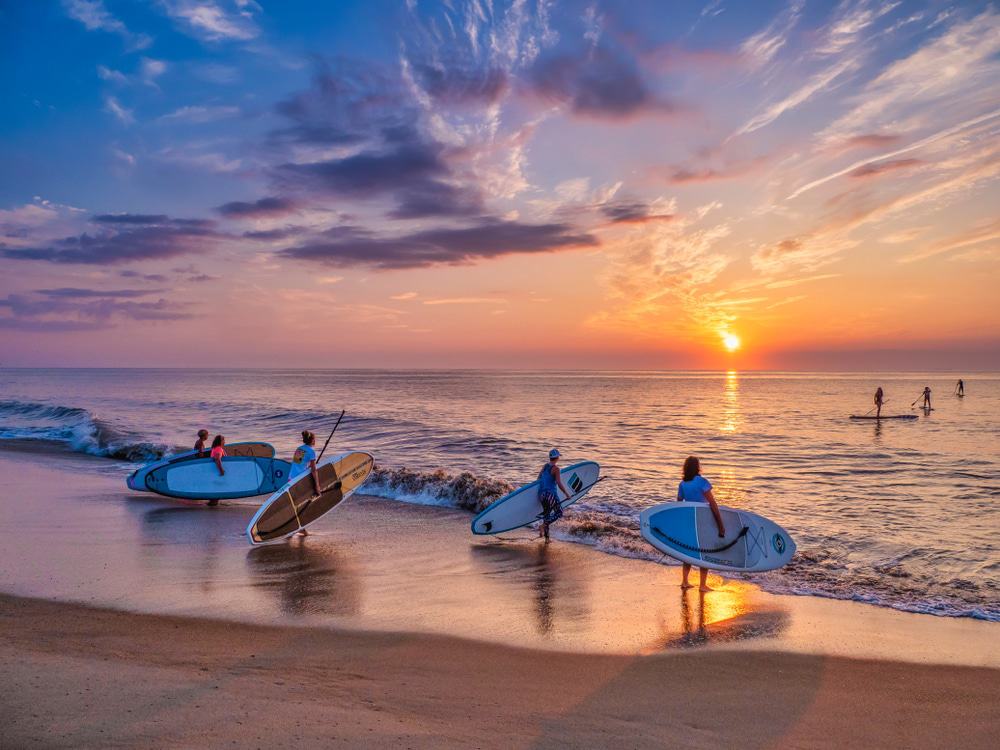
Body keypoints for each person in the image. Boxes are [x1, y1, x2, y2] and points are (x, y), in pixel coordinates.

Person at [677, 456, 726, 593]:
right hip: (703, 522)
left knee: (688, 550)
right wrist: (720, 525)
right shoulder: (702, 482)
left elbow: (678, 504)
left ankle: (685, 581)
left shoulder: (683, 484)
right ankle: (702, 585)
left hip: (688, 522)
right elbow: (713, 504)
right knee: (703, 551)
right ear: (697, 467)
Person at [289, 431, 321, 536]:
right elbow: (314, 470)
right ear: (312, 440)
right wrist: (317, 486)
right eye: (314, 439)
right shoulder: (311, 451)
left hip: (291, 479)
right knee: (302, 504)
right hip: (299, 480)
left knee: (295, 504)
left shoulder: (299, 449)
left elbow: (298, 464)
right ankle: (300, 528)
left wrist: (307, 467)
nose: (315, 441)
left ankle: (293, 528)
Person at [538, 448, 572, 541]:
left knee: (547, 515)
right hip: (550, 494)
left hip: (541, 495)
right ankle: (543, 526)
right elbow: (559, 483)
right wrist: (566, 494)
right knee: (559, 512)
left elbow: (539, 478)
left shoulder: (545, 466)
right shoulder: (556, 469)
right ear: (557, 458)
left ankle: (547, 539)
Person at [208, 435, 226, 507]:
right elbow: (217, 459)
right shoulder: (219, 448)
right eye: (224, 440)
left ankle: (212, 503)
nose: (225, 442)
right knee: (218, 487)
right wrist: (221, 470)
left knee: (216, 487)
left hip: (213, 471)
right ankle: (213, 504)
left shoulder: (214, 448)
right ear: (221, 441)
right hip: (217, 471)